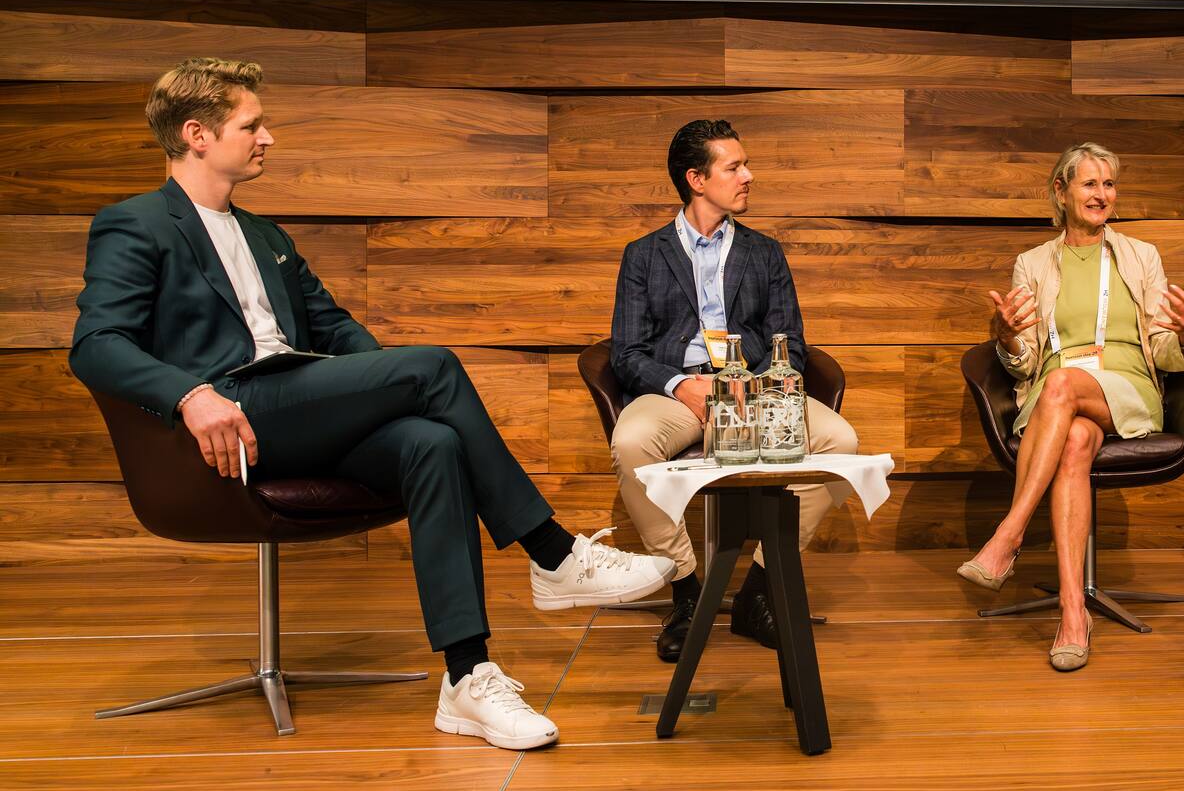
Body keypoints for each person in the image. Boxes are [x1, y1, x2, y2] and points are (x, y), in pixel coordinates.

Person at [69, 58, 673, 750]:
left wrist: (378, 393)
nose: (269, 137)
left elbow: (335, 329)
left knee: (431, 441)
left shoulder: (267, 238)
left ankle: (467, 680)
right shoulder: (135, 225)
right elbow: (95, 346)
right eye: (252, 124)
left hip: (296, 407)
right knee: (434, 368)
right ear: (197, 134)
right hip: (231, 419)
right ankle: (552, 552)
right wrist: (190, 394)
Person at [608, 119, 860, 663]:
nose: (749, 175)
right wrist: (681, 385)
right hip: (679, 394)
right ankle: (686, 590)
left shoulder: (764, 253)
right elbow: (626, 354)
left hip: (754, 391)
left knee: (842, 442)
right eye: (734, 166)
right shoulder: (643, 255)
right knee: (631, 443)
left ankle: (757, 590)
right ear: (697, 179)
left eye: (745, 164)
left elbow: (790, 341)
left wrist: (753, 383)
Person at [960, 144, 1184, 672]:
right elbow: (1025, 361)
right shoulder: (1031, 263)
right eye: (1090, 184)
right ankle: (1075, 616)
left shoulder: (1141, 256)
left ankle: (1009, 535)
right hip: (1056, 399)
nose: (1102, 195)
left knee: (1062, 385)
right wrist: (1005, 337)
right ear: (1061, 191)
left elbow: (1163, 348)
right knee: (1070, 430)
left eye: (1109, 185)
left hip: (1125, 388)